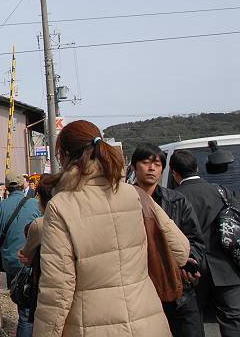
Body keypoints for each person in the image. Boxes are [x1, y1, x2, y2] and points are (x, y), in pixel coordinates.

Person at [33, 120, 190, 337]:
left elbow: (57, 289)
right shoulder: (134, 194)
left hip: (91, 325)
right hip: (148, 322)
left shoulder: (61, 207)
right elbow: (181, 251)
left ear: (65, 156)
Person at [131, 144, 206, 337]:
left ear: (163, 169)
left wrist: (190, 263)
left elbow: (196, 240)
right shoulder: (124, 203)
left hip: (180, 291)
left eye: (156, 163)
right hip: (141, 291)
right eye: (145, 162)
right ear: (133, 167)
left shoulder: (176, 200)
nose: (151, 168)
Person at [171, 150, 240, 336]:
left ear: (174, 173)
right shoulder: (221, 191)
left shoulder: (174, 198)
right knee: (232, 319)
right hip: (226, 267)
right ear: (197, 168)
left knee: (193, 319)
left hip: (192, 269)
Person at [0, 170, 41, 337]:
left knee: (24, 309)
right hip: (33, 264)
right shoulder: (34, 204)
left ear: (6, 188)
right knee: (33, 311)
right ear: (23, 185)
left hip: (11, 264)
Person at [17, 176, 55, 325]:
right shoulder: (75, 219)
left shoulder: (39, 225)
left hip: (44, 283)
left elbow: (26, 257)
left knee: (33, 320)